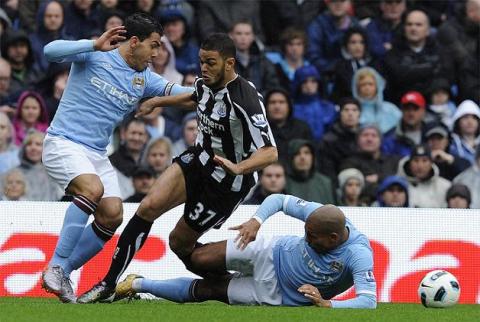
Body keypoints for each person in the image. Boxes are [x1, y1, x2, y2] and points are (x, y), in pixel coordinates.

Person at [77, 33, 278, 303]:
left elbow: (270, 152)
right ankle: (108, 284)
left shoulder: (246, 99)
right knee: (147, 207)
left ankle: (225, 282)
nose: (203, 69)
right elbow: (195, 96)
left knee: (179, 244)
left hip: (225, 182)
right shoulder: (206, 83)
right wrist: (156, 101)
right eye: (201, 62)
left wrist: (239, 167)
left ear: (229, 64)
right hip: (197, 159)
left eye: (210, 63)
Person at [40, 13, 192, 303]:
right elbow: (50, 52)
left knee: (112, 215)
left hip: (96, 154)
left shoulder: (144, 78)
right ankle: (57, 264)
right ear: (134, 42)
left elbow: (183, 94)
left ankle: (64, 273)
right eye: (154, 45)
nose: (157, 53)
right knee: (92, 190)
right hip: (63, 142)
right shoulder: (96, 54)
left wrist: (214, 87)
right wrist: (92, 45)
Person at [113, 194, 377, 309]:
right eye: (306, 232)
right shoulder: (320, 214)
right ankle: (217, 279)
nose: (306, 239)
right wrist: (256, 221)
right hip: (272, 251)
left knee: (207, 291)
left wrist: (327, 304)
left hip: (277, 294)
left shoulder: (358, 254)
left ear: (333, 238)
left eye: (312, 237)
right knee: (199, 258)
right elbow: (279, 200)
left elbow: (368, 301)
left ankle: (137, 284)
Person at [318, 98, 361, 184]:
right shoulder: (328, 140)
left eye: (354, 110)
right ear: (340, 113)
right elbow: (327, 169)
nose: (350, 113)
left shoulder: (366, 137)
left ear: (359, 114)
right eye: (346, 110)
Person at [264, 89, 312, 164]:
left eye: (281, 102)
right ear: (265, 106)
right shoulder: (260, 129)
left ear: (289, 105)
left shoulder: (302, 128)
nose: (277, 106)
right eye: (272, 102)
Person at [397, 144, 451, 208]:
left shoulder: (444, 186)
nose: (420, 166)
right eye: (416, 160)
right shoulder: (397, 184)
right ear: (409, 163)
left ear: (431, 163)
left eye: (424, 160)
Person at [291, 65, 336, 143]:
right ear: (298, 85)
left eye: (313, 81)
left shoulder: (329, 107)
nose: (309, 85)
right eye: (304, 82)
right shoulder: (291, 109)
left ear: (318, 83)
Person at [351, 67, 401, 134]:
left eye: (370, 84)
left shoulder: (391, 109)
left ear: (377, 87)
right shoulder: (352, 111)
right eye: (363, 85)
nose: (367, 88)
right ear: (357, 88)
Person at [16, 130, 62, 201]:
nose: (33, 148)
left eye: (38, 144)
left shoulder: (54, 173)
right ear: (23, 149)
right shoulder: (14, 173)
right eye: (29, 144)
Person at [286, 139, 334, 204]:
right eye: (297, 153)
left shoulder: (325, 183)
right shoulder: (283, 183)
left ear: (313, 157)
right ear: (291, 158)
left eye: (306, 152)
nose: (302, 157)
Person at [449, 100, 480, 165]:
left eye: (474, 118)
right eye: (465, 117)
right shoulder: (451, 144)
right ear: (458, 121)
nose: (470, 122)